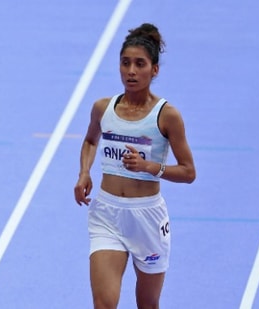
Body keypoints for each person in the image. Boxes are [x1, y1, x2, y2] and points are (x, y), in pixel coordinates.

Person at [73, 23, 196, 309]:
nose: (130, 71)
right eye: (125, 63)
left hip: (147, 219)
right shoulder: (103, 108)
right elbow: (91, 141)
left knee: (147, 304)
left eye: (139, 64)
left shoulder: (167, 116)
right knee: (104, 304)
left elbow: (189, 172)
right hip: (107, 214)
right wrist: (84, 173)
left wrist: (150, 167)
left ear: (154, 70)